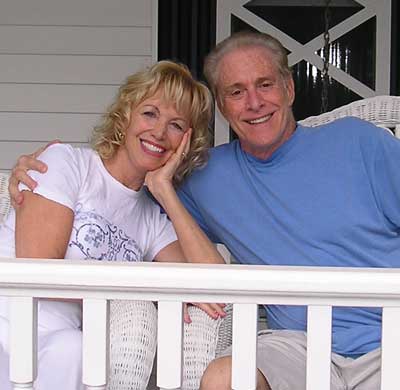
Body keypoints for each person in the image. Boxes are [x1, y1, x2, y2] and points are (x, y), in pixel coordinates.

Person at [8, 30, 399, 390]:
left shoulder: (359, 142)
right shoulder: (202, 180)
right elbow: (212, 286)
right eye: (236, 92)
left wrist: (163, 191)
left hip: (390, 332)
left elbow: (211, 287)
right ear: (224, 110)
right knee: (224, 378)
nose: (254, 103)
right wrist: (164, 189)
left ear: (290, 88)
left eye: (265, 85)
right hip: (298, 346)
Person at [0, 60, 226, 390]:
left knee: (75, 352)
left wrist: (165, 191)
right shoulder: (67, 164)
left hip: (59, 351)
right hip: (8, 330)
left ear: (187, 143)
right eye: (150, 113)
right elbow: (41, 271)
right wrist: (145, 286)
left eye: (176, 125)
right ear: (126, 115)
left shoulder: (152, 219)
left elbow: (219, 285)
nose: (159, 132)